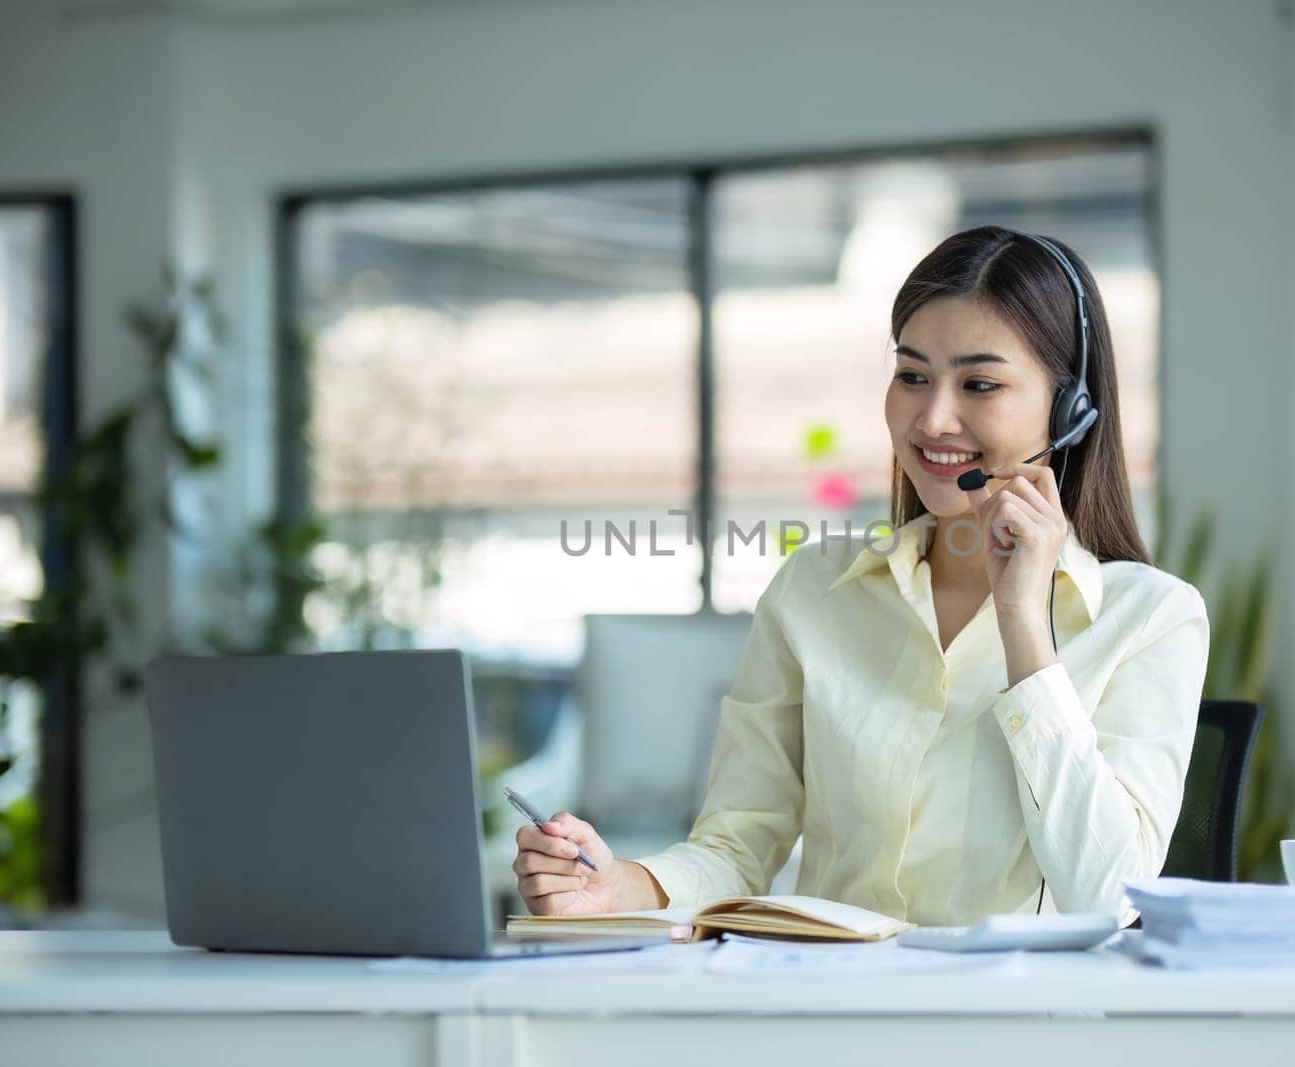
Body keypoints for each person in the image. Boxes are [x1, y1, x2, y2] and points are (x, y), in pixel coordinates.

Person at [513, 225, 1210, 926]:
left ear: (1070, 411)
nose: (934, 418)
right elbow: (737, 842)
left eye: (980, 383)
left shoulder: (1152, 618)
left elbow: (1112, 898)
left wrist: (1025, 624)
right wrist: (621, 883)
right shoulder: (812, 593)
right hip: (830, 1014)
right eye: (912, 376)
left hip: (1022, 1026)